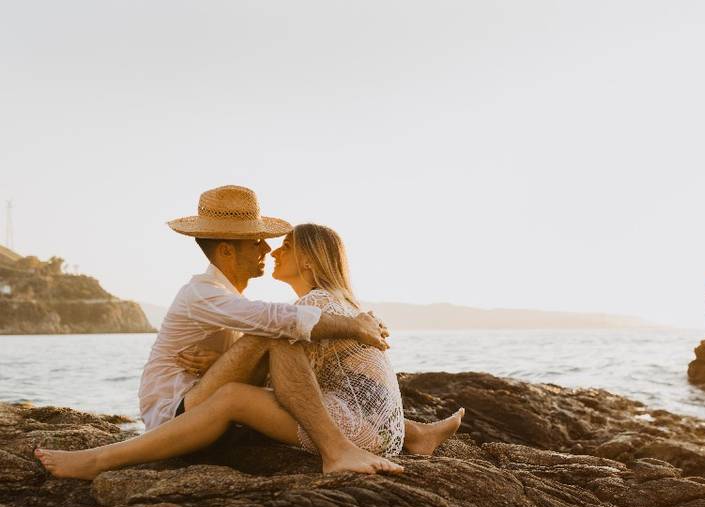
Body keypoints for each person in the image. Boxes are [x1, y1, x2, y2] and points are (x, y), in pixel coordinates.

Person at [35, 186, 462, 479]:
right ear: (226, 250)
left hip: (214, 399)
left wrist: (225, 361)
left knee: (270, 348)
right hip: (177, 410)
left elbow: (288, 369)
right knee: (277, 333)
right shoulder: (203, 292)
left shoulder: (258, 300)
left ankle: (410, 433)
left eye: (277, 244)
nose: (268, 249)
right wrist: (354, 324)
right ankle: (346, 447)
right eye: (256, 242)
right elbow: (274, 330)